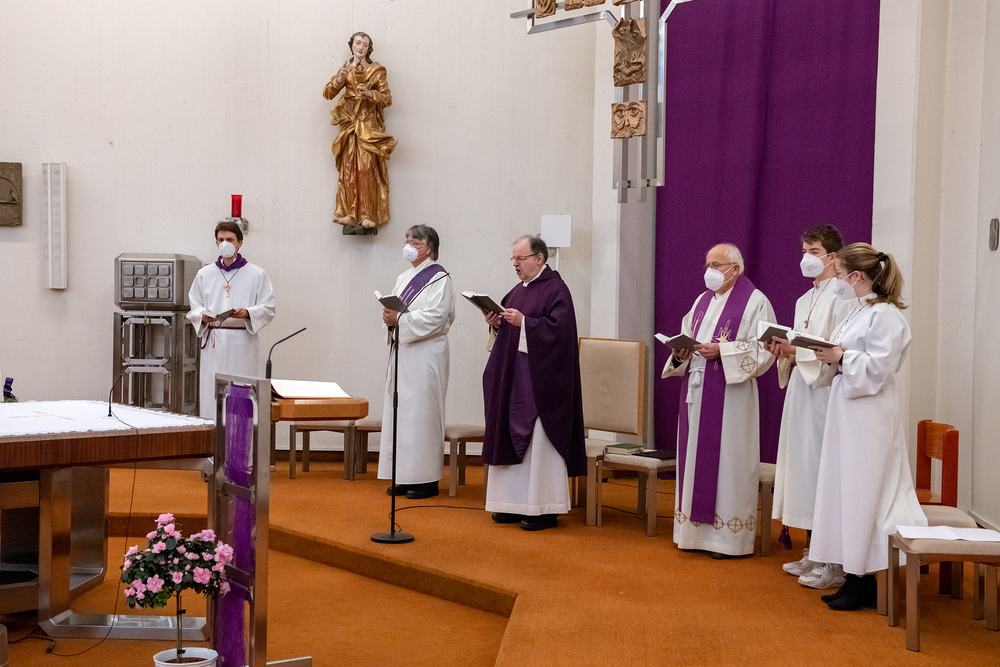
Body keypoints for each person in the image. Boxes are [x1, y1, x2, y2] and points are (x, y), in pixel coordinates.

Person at [808, 243, 926, 611]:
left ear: (857, 276)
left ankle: (865, 580)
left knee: (864, 493)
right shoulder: (860, 310)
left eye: (841, 275)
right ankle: (852, 573)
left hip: (869, 414)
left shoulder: (886, 315)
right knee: (847, 490)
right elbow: (847, 355)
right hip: (849, 410)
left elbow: (879, 369)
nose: (838, 281)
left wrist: (841, 356)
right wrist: (830, 355)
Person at [662, 243, 775, 558]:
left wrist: (723, 352)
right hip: (697, 392)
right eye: (708, 265)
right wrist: (680, 353)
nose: (709, 271)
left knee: (729, 462)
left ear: (734, 269)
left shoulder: (755, 301)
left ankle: (727, 540)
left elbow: (765, 349)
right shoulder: (701, 301)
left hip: (731, 398)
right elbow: (686, 336)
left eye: (716, 265)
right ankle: (693, 534)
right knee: (695, 460)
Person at [765, 225, 853, 589]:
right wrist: (783, 350)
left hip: (825, 392)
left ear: (832, 257)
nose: (807, 258)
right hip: (802, 390)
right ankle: (814, 552)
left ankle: (833, 560)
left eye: (814, 251)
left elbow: (835, 348)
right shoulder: (805, 298)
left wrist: (795, 350)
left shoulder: (843, 295)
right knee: (803, 468)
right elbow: (803, 344)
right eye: (804, 251)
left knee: (821, 469)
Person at [481, 235, 587, 531]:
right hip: (513, 379)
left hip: (541, 384)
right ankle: (511, 504)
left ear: (539, 258)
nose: (515, 264)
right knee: (508, 435)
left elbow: (561, 334)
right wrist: (497, 323)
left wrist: (525, 323)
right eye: (513, 259)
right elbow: (508, 333)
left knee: (538, 444)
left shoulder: (556, 289)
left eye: (521, 258)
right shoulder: (516, 291)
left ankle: (543, 509)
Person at [379, 225, 455, 500]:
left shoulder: (439, 278)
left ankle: (426, 479)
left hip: (426, 354)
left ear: (429, 248)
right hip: (403, 352)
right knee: (402, 413)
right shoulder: (403, 277)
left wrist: (400, 319)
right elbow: (395, 311)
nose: (408, 246)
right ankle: (404, 475)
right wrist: (390, 319)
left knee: (422, 415)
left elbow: (438, 317)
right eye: (407, 240)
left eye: (414, 242)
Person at [187, 221, 275, 419]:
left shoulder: (257, 274)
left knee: (242, 390)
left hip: (242, 342)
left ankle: (240, 439)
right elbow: (194, 305)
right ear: (216, 242)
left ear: (239, 243)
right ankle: (212, 436)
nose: (224, 243)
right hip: (214, 341)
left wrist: (248, 313)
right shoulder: (204, 274)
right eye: (221, 239)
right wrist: (202, 316)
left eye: (229, 239)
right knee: (212, 392)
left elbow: (268, 308)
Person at [323, 31, 396, 232]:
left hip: (368, 125)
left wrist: (370, 94)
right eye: (358, 43)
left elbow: (387, 99)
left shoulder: (376, 70)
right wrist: (340, 79)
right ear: (352, 46)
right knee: (348, 169)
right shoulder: (345, 69)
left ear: (369, 48)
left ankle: (366, 214)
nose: (361, 47)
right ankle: (349, 212)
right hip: (349, 123)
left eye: (365, 44)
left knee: (365, 169)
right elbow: (327, 93)